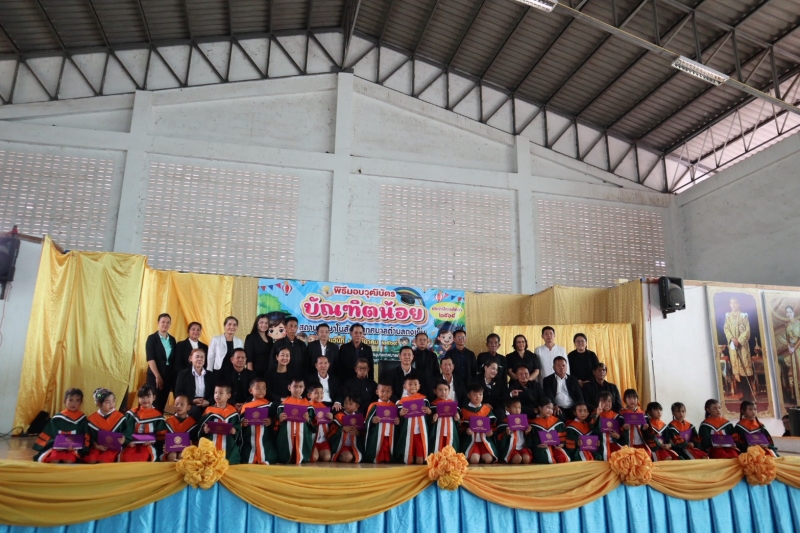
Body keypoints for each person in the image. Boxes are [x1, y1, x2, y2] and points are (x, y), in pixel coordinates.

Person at [33, 388, 87, 463]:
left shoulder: (82, 419)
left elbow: (84, 435)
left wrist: (76, 445)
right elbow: (50, 435)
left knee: (68, 460)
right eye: (70, 400)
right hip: (56, 448)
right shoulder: (57, 418)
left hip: (73, 449)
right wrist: (56, 445)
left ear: (80, 403)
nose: (73, 403)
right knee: (54, 459)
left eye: (77, 401)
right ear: (64, 401)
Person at [121, 385, 168, 462]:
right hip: (132, 445)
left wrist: (153, 441)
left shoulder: (158, 417)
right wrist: (128, 442)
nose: (145, 400)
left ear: (154, 397)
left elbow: (161, 436)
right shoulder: (132, 414)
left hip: (149, 445)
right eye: (142, 397)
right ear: (138, 399)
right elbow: (126, 430)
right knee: (127, 456)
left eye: (148, 396)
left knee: (143, 457)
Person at [394, 372, 432, 464]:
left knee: (420, 461)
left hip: (420, 432)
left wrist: (429, 412)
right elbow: (397, 416)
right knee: (408, 459)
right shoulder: (401, 402)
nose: (413, 386)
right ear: (404, 386)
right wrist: (400, 413)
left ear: (419, 386)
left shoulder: (424, 400)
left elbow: (430, 415)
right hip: (407, 432)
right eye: (410, 384)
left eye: (415, 384)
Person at [200, 383, 241, 464]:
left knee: (229, 461)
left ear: (228, 396)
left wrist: (235, 430)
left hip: (228, 443)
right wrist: (204, 429)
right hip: (211, 441)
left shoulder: (233, 411)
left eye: (221, 393)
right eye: (215, 392)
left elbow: (238, 426)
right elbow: (201, 426)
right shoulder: (209, 410)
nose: (217, 395)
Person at [276, 377, 314, 464]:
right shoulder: (283, 404)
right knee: (286, 455)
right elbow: (277, 421)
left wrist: (308, 419)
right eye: (295, 386)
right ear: (289, 387)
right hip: (287, 434)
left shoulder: (308, 405)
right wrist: (280, 418)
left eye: (300, 387)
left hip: (303, 434)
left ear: (304, 388)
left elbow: (313, 422)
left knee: (301, 455)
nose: (298, 389)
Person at [84, 388, 128, 464]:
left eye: (113, 401)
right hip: (97, 447)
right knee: (91, 460)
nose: (111, 404)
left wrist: (124, 439)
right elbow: (89, 436)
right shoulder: (92, 419)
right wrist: (96, 445)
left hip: (113, 448)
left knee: (103, 460)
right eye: (107, 402)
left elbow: (126, 432)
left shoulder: (120, 417)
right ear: (98, 403)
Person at [239, 377, 277, 465]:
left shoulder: (270, 405)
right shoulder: (246, 406)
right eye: (258, 388)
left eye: (264, 388)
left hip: (265, 437)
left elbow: (275, 419)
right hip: (250, 437)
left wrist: (271, 421)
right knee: (247, 455)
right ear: (250, 390)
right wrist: (243, 423)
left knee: (267, 453)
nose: (261, 391)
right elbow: (240, 420)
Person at [145, 313, 178, 412]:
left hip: (168, 375)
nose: (165, 324)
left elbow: (173, 359)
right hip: (154, 375)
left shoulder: (172, 339)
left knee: (162, 402)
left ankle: (159, 420)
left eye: (168, 322)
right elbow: (150, 358)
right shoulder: (152, 338)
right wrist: (157, 376)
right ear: (158, 323)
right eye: (163, 322)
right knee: (153, 401)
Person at [459, 383, 498, 464]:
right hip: (471, 441)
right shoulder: (464, 410)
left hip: (484, 440)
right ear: (469, 395)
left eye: (480, 394)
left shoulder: (486, 409)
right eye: (474, 394)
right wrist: (466, 431)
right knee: (474, 460)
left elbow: (493, 426)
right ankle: (477, 456)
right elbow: (461, 426)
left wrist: (491, 432)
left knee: (489, 460)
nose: (478, 397)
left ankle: (481, 455)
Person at [724, 298, 754, 400]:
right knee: (738, 371)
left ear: (738, 304)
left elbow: (747, 330)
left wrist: (739, 340)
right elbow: (726, 329)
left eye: (735, 303)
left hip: (742, 347)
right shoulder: (728, 316)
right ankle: (744, 395)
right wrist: (732, 339)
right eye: (731, 303)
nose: (733, 305)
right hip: (733, 346)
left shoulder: (743, 316)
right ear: (730, 304)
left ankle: (748, 395)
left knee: (744, 369)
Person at [363, 379, 400, 463]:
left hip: (390, 435)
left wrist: (398, 421)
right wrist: (372, 420)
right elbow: (366, 421)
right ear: (377, 392)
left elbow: (398, 421)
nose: (385, 394)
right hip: (377, 435)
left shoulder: (394, 406)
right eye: (382, 391)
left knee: (389, 453)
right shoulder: (373, 405)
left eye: (388, 391)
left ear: (391, 393)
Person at [175, 348, 216, 421]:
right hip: (190, 403)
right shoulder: (183, 374)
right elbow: (178, 392)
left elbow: (214, 392)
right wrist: (192, 400)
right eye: (197, 357)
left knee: (212, 412)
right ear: (191, 358)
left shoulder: (211, 375)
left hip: (206, 402)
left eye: (202, 357)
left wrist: (208, 402)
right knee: (195, 411)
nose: (200, 359)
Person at [530, 398, 570, 464]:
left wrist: (562, 443)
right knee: (546, 459)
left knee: (564, 458)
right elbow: (532, 438)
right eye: (548, 407)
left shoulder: (557, 422)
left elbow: (562, 435)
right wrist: (538, 445)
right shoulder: (534, 424)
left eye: (551, 408)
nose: (550, 410)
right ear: (540, 408)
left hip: (556, 446)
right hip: (542, 448)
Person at [543, 356, 584, 421]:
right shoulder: (547, 380)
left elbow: (579, 395)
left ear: (566, 367)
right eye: (558, 365)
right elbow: (549, 395)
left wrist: (580, 407)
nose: (561, 367)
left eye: (563, 365)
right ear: (554, 368)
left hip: (572, 407)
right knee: (559, 417)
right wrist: (554, 405)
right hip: (558, 408)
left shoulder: (573, 380)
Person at [328, 394, 364, 463]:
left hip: (355, 445)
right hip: (342, 445)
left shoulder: (360, 418)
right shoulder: (338, 416)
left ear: (357, 406)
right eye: (345, 403)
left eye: (350, 404)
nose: (347, 405)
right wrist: (342, 428)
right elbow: (331, 432)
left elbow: (364, 434)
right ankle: (338, 456)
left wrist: (358, 433)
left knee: (358, 457)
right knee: (348, 457)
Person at [495, 398, 532, 464]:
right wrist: (506, 434)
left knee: (526, 459)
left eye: (519, 408)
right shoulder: (504, 423)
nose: (517, 410)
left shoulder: (524, 421)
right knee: (518, 459)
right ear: (507, 409)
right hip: (511, 448)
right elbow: (500, 439)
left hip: (523, 447)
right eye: (514, 408)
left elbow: (528, 438)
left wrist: (527, 433)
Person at [429, 379, 461, 453]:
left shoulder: (454, 406)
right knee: (437, 450)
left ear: (449, 391)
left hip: (451, 432)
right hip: (437, 433)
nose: (443, 392)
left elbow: (459, 423)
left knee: (450, 452)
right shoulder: (432, 406)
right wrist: (433, 419)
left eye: (446, 390)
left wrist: (457, 419)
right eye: (440, 390)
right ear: (435, 391)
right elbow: (428, 422)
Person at [163, 395, 198, 462]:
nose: (178, 406)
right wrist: (165, 445)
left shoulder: (192, 423)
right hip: (171, 450)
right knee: (172, 456)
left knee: (182, 455)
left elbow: (195, 441)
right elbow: (164, 438)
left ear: (188, 407)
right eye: (176, 404)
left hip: (186, 449)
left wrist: (192, 444)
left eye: (182, 404)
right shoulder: (169, 421)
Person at [593, 391, 625, 460]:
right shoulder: (595, 415)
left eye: (609, 401)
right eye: (604, 401)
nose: (607, 403)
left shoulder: (617, 416)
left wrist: (618, 436)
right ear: (598, 402)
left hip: (614, 444)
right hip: (600, 446)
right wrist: (597, 414)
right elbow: (591, 428)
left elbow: (624, 434)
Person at [307, 382, 333, 463]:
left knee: (327, 458)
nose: (319, 395)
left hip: (323, 439)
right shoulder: (307, 407)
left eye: (321, 393)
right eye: (316, 393)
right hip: (312, 439)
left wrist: (331, 419)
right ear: (309, 395)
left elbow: (329, 425)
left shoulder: (325, 408)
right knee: (314, 458)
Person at [413, 332, 440, 399]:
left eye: (424, 340)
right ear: (416, 341)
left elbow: (436, 373)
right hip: (415, 388)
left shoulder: (433, 355)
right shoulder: (412, 355)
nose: (422, 341)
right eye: (420, 339)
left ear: (427, 341)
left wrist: (434, 386)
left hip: (430, 388)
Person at [245, 314, 273, 379]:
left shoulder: (270, 339)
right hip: (256, 373)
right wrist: (251, 374)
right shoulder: (251, 337)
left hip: (268, 372)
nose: (264, 325)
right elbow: (249, 358)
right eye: (261, 322)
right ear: (257, 324)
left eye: (266, 323)